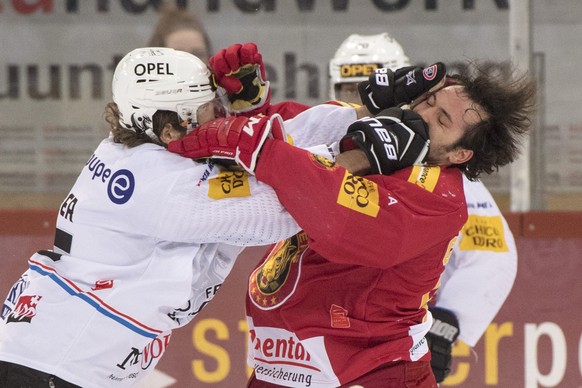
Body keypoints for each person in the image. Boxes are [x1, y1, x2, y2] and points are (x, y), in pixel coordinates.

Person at [170, 44, 536, 387]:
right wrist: (250, 110)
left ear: (460, 154)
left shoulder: (438, 194)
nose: (422, 114)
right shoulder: (377, 133)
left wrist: (257, 146)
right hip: (284, 368)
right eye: (428, 100)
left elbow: (339, 216)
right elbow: (300, 139)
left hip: (369, 371)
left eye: (441, 120)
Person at [0, 47, 352, 388]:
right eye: (207, 111)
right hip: (50, 368)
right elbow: (283, 207)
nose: (220, 118)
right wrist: (360, 155)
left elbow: (270, 162)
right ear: (169, 129)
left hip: (55, 360)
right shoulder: (163, 184)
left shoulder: (142, 155)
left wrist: (364, 114)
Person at [327, 33, 519, 383]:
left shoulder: (441, 173)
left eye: (369, 86)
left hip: (389, 345)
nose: (363, 100)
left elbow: (491, 254)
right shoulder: (323, 138)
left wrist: (446, 322)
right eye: (349, 89)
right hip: (311, 337)